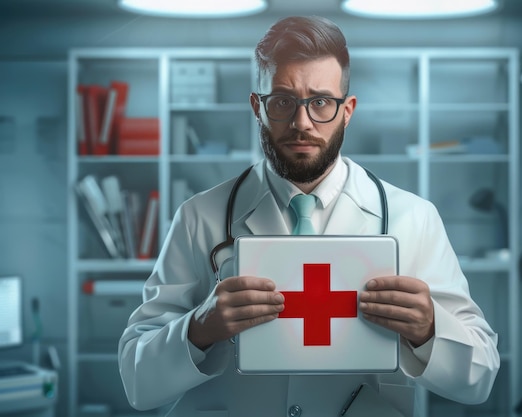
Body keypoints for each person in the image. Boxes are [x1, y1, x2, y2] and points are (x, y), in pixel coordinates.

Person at [118, 15, 500, 417]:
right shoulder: (199, 217)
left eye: (320, 102)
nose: (302, 123)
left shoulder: (414, 219)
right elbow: (136, 381)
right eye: (283, 101)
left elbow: (481, 377)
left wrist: (428, 330)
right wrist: (199, 329)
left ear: (347, 110)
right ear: (257, 107)